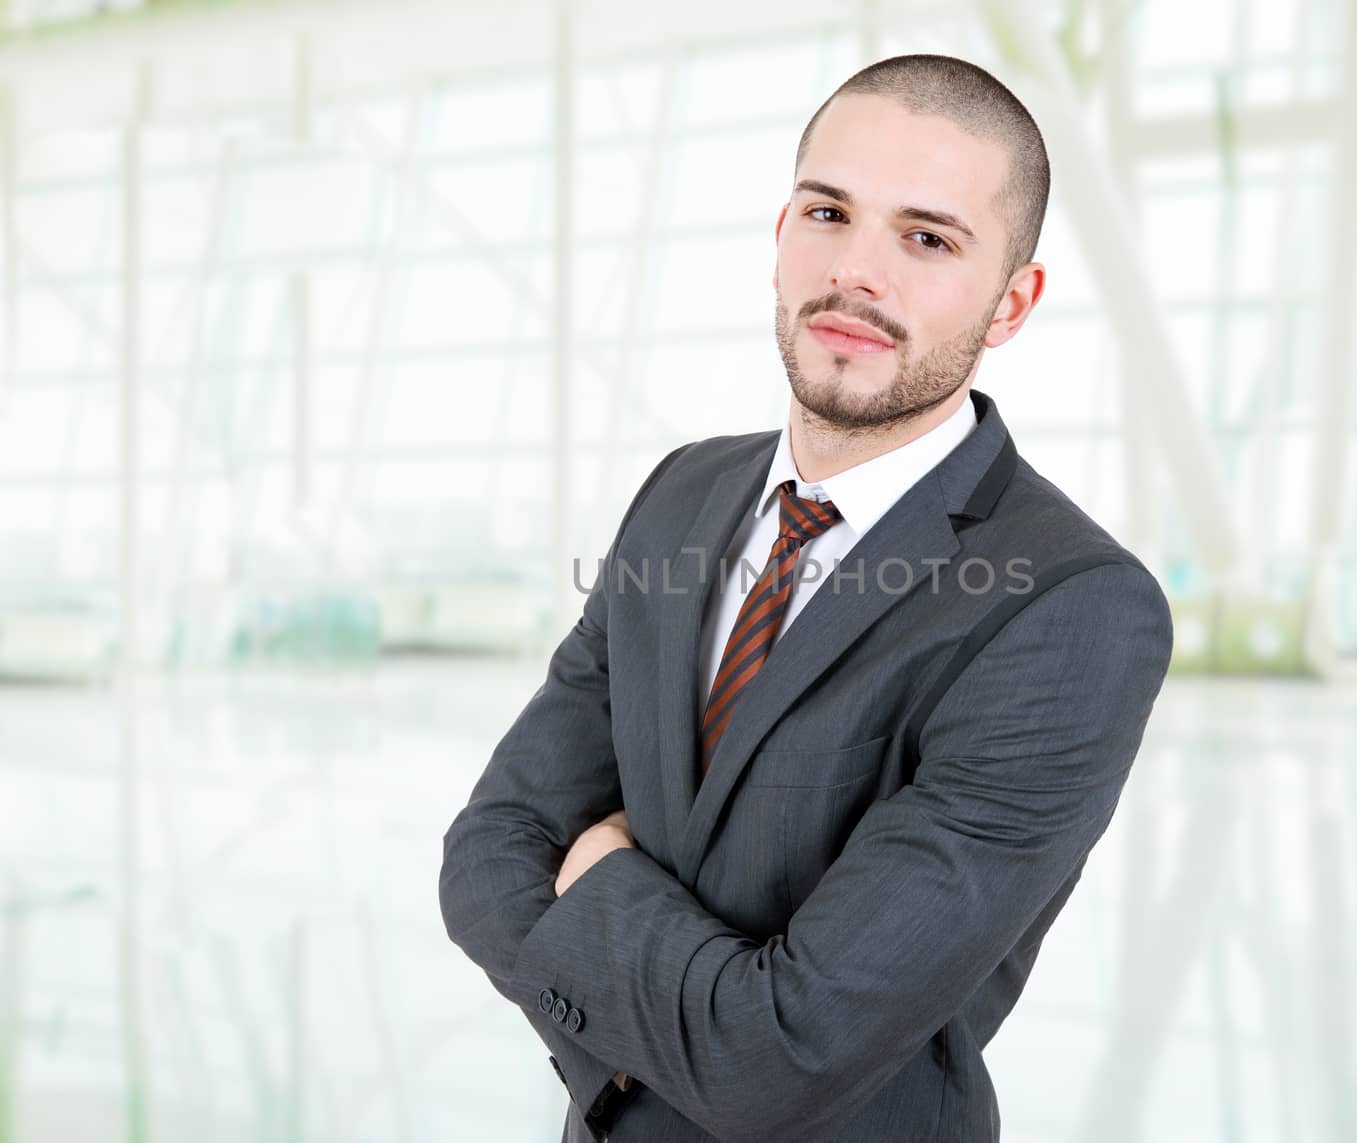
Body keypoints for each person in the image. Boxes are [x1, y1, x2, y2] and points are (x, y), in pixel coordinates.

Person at [439, 52, 1174, 1143]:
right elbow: (486, 855)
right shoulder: (680, 495)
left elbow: (785, 1057)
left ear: (1011, 302)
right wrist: (678, 1025)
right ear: (781, 234)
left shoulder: (1070, 606)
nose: (857, 273)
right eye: (830, 213)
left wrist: (593, 881)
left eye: (927, 238)